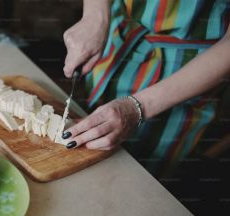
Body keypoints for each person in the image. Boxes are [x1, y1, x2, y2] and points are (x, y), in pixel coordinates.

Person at [61, 0, 230, 176]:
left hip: (191, 76)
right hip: (119, 39)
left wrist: (137, 108)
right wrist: (96, 16)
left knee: (133, 176)